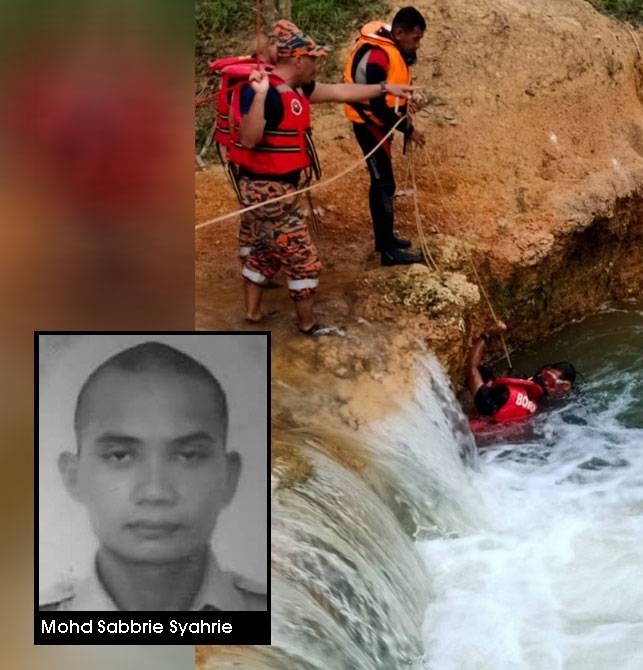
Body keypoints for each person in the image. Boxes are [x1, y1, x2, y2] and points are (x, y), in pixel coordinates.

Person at [39, 342, 263, 611]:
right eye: (120, 455)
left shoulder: (293, 631)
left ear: (230, 476)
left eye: (189, 455)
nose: (155, 492)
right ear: (73, 476)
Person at [231, 19, 416, 335]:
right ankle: (308, 326)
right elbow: (249, 139)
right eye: (314, 59)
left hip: (277, 190)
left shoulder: (298, 88)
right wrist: (260, 96)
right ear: (298, 59)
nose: (318, 64)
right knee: (303, 259)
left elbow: (341, 91)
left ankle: (252, 314)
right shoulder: (264, 90)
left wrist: (386, 88)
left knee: (267, 247)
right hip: (268, 191)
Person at [343, 7, 427, 266]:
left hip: (380, 123)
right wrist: (409, 131)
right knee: (383, 185)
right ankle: (387, 252)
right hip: (369, 125)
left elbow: (388, 95)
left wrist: (404, 105)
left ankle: (386, 240)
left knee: (385, 184)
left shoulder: (391, 49)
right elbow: (377, 106)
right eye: (415, 39)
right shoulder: (378, 56)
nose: (417, 45)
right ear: (399, 33)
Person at [465, 326, 577, 424]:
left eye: (550, 380)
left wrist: (487, 334)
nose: (545, 382)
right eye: (545, 376)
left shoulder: (487, 401)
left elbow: (472, 367)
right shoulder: (533, 405)